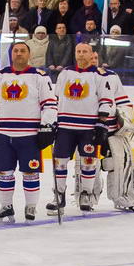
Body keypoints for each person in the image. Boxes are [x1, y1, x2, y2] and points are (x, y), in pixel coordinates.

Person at [0, 40, 56, 223]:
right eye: (16, 51)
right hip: (4, 134)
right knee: (4, 172)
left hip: (30, 134)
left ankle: (31, 206)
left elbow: (50, 104)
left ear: (29, 54)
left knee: (30, 172)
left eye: (22, 51)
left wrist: (46, 126)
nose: (19, 53)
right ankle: (6, 206)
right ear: (11, 54)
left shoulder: (40, 76)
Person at [50, 42, 114, 214]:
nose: (81, 54)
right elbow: (56, 98)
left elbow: (106, 100)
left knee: (88, 161)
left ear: (91, 54)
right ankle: (59, 194)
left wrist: (101, 123)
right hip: (65, 126)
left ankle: (86, 194)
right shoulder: (65, 73)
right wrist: (52, 121)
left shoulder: (99, 75)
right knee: (60, 161)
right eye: (78, 51)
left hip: (88, 126)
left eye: (85, 51)